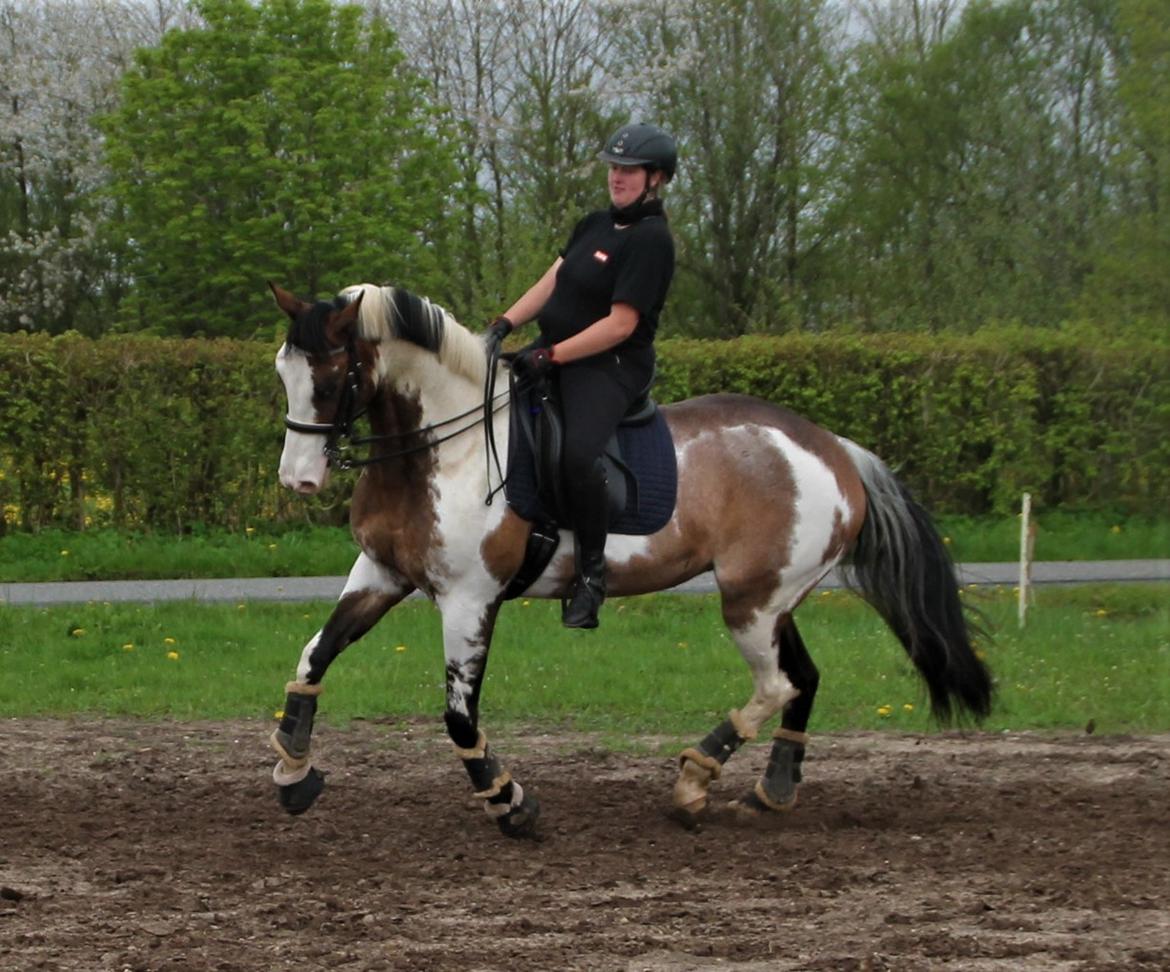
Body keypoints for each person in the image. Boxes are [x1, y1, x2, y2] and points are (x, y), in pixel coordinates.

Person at [486, 122, 677, 630]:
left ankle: (591, 577)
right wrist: (503, 324)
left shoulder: (652, 241)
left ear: (655, 178)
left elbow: (621, 324)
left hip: (610, 366)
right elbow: (552, 280)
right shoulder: (593, 223)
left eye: (629, 170)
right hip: (556, 352)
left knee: (577, 454)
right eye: (614, 167)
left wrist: (553, 357)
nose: (617, 177)